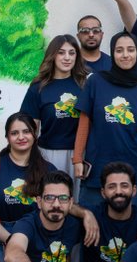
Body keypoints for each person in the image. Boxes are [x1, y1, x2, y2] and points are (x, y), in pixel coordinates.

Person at [72, 32, 137, 208]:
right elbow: (84, 122)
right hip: (98, 165)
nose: (125, 55)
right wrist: (77, 159)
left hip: (133, 167)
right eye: (119, 50)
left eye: (130, 50)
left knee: (128, 225)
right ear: (112, 53)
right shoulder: (96, 82)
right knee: (91, 223)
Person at [0, 113, 51, 242]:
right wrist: (9, 239)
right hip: (0, 237)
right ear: (7, 137)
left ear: (34, 134)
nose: (21, 137)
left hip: (38, 236)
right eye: (14, 133)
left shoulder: (48, 169)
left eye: (26, 131)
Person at [20, 35, 87, 174]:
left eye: (72, 53)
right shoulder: (38, 88)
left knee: (78, 196)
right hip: (49, 154)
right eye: (61, 52)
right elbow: (30, 129)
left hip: (81, 155)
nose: (67, 57)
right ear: (52, 55)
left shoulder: (86, 85)